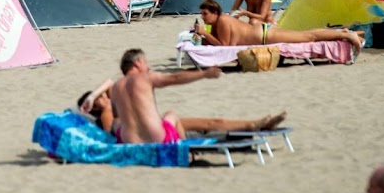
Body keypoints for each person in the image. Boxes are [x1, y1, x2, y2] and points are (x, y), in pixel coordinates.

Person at [79, 72, 285, 139]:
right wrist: (98, 104)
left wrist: (95, 95)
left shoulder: (110, 102)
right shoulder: (106, 114)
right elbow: (111, 135)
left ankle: (255, 124)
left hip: (156, 125)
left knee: (210, 122)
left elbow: (109, 82)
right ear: (94, 107)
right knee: (209, 123)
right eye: (98, 98)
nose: (103, 96)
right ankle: (254, 125)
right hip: (153, 131)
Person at [195, 0, 363, 52]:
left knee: (309, 37)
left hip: (267, 35)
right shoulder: (221, 21)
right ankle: (343, 32)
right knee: (307, 35)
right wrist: (203, 35)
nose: (203, 17)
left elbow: (224, 46)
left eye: (205, 14)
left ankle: (347, 35)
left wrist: (205, 33)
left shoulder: (223, 21)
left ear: (214, 13)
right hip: (265, 34)